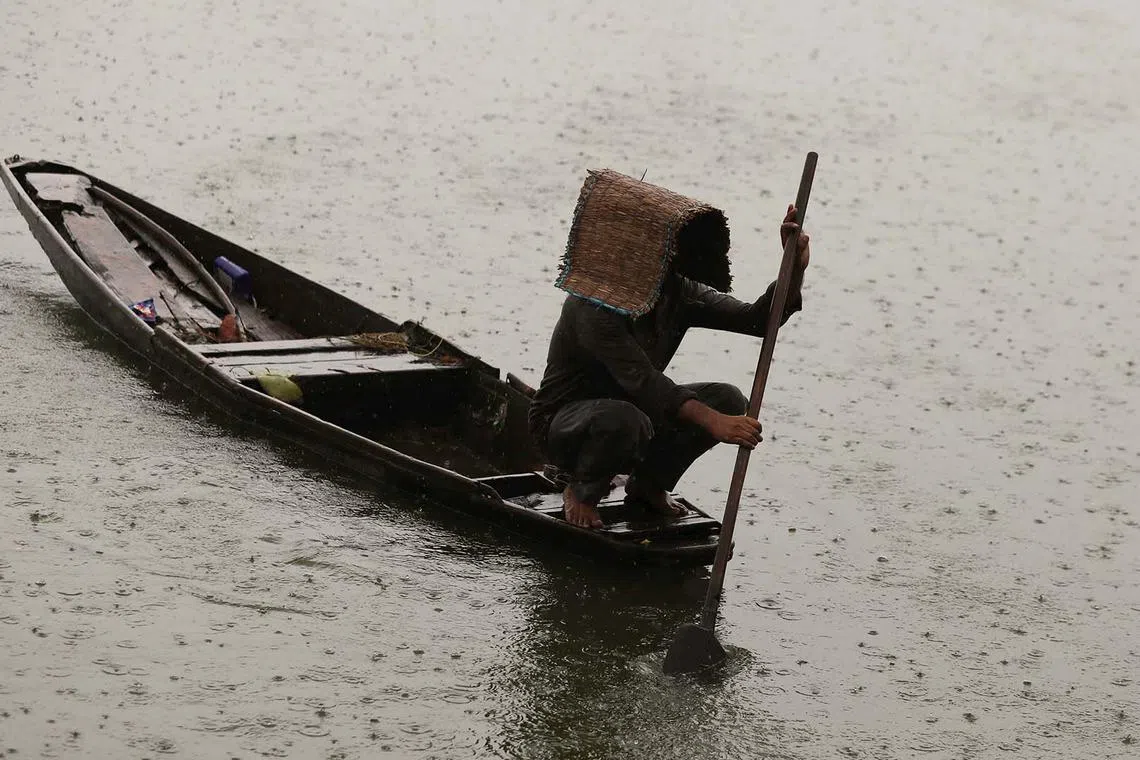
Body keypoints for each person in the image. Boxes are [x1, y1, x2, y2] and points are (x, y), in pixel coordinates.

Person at [529, 203, 811, 529]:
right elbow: (644, 380)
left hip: (634, 415)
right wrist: (714, 422)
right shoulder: (590, 305)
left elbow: (758, 320)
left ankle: (649, 484)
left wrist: (794, 269)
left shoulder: (677, 293)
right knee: (627, 419)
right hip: (563, 425)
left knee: (727, 399)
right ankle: (581, 491)